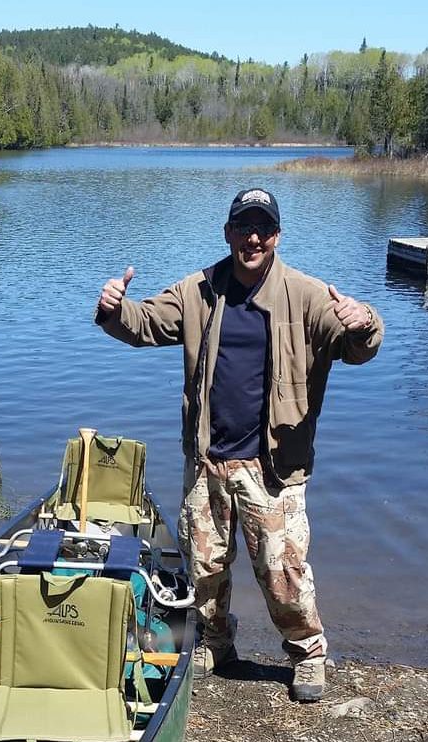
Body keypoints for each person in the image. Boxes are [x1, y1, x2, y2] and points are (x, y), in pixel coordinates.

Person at [95, 187, 384, 701]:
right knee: (204, 566)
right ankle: (214, 643)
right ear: (227, 232)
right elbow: (142, 325)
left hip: (272, 468)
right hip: (209, 461)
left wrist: (365, 326)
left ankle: (308, 653)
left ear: (276, 235)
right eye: (242, 227)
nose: (252, 238)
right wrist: (116, 309)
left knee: (284, 569)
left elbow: (354, 346)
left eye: (262, 228)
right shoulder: (199, 290)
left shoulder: (307, 295)